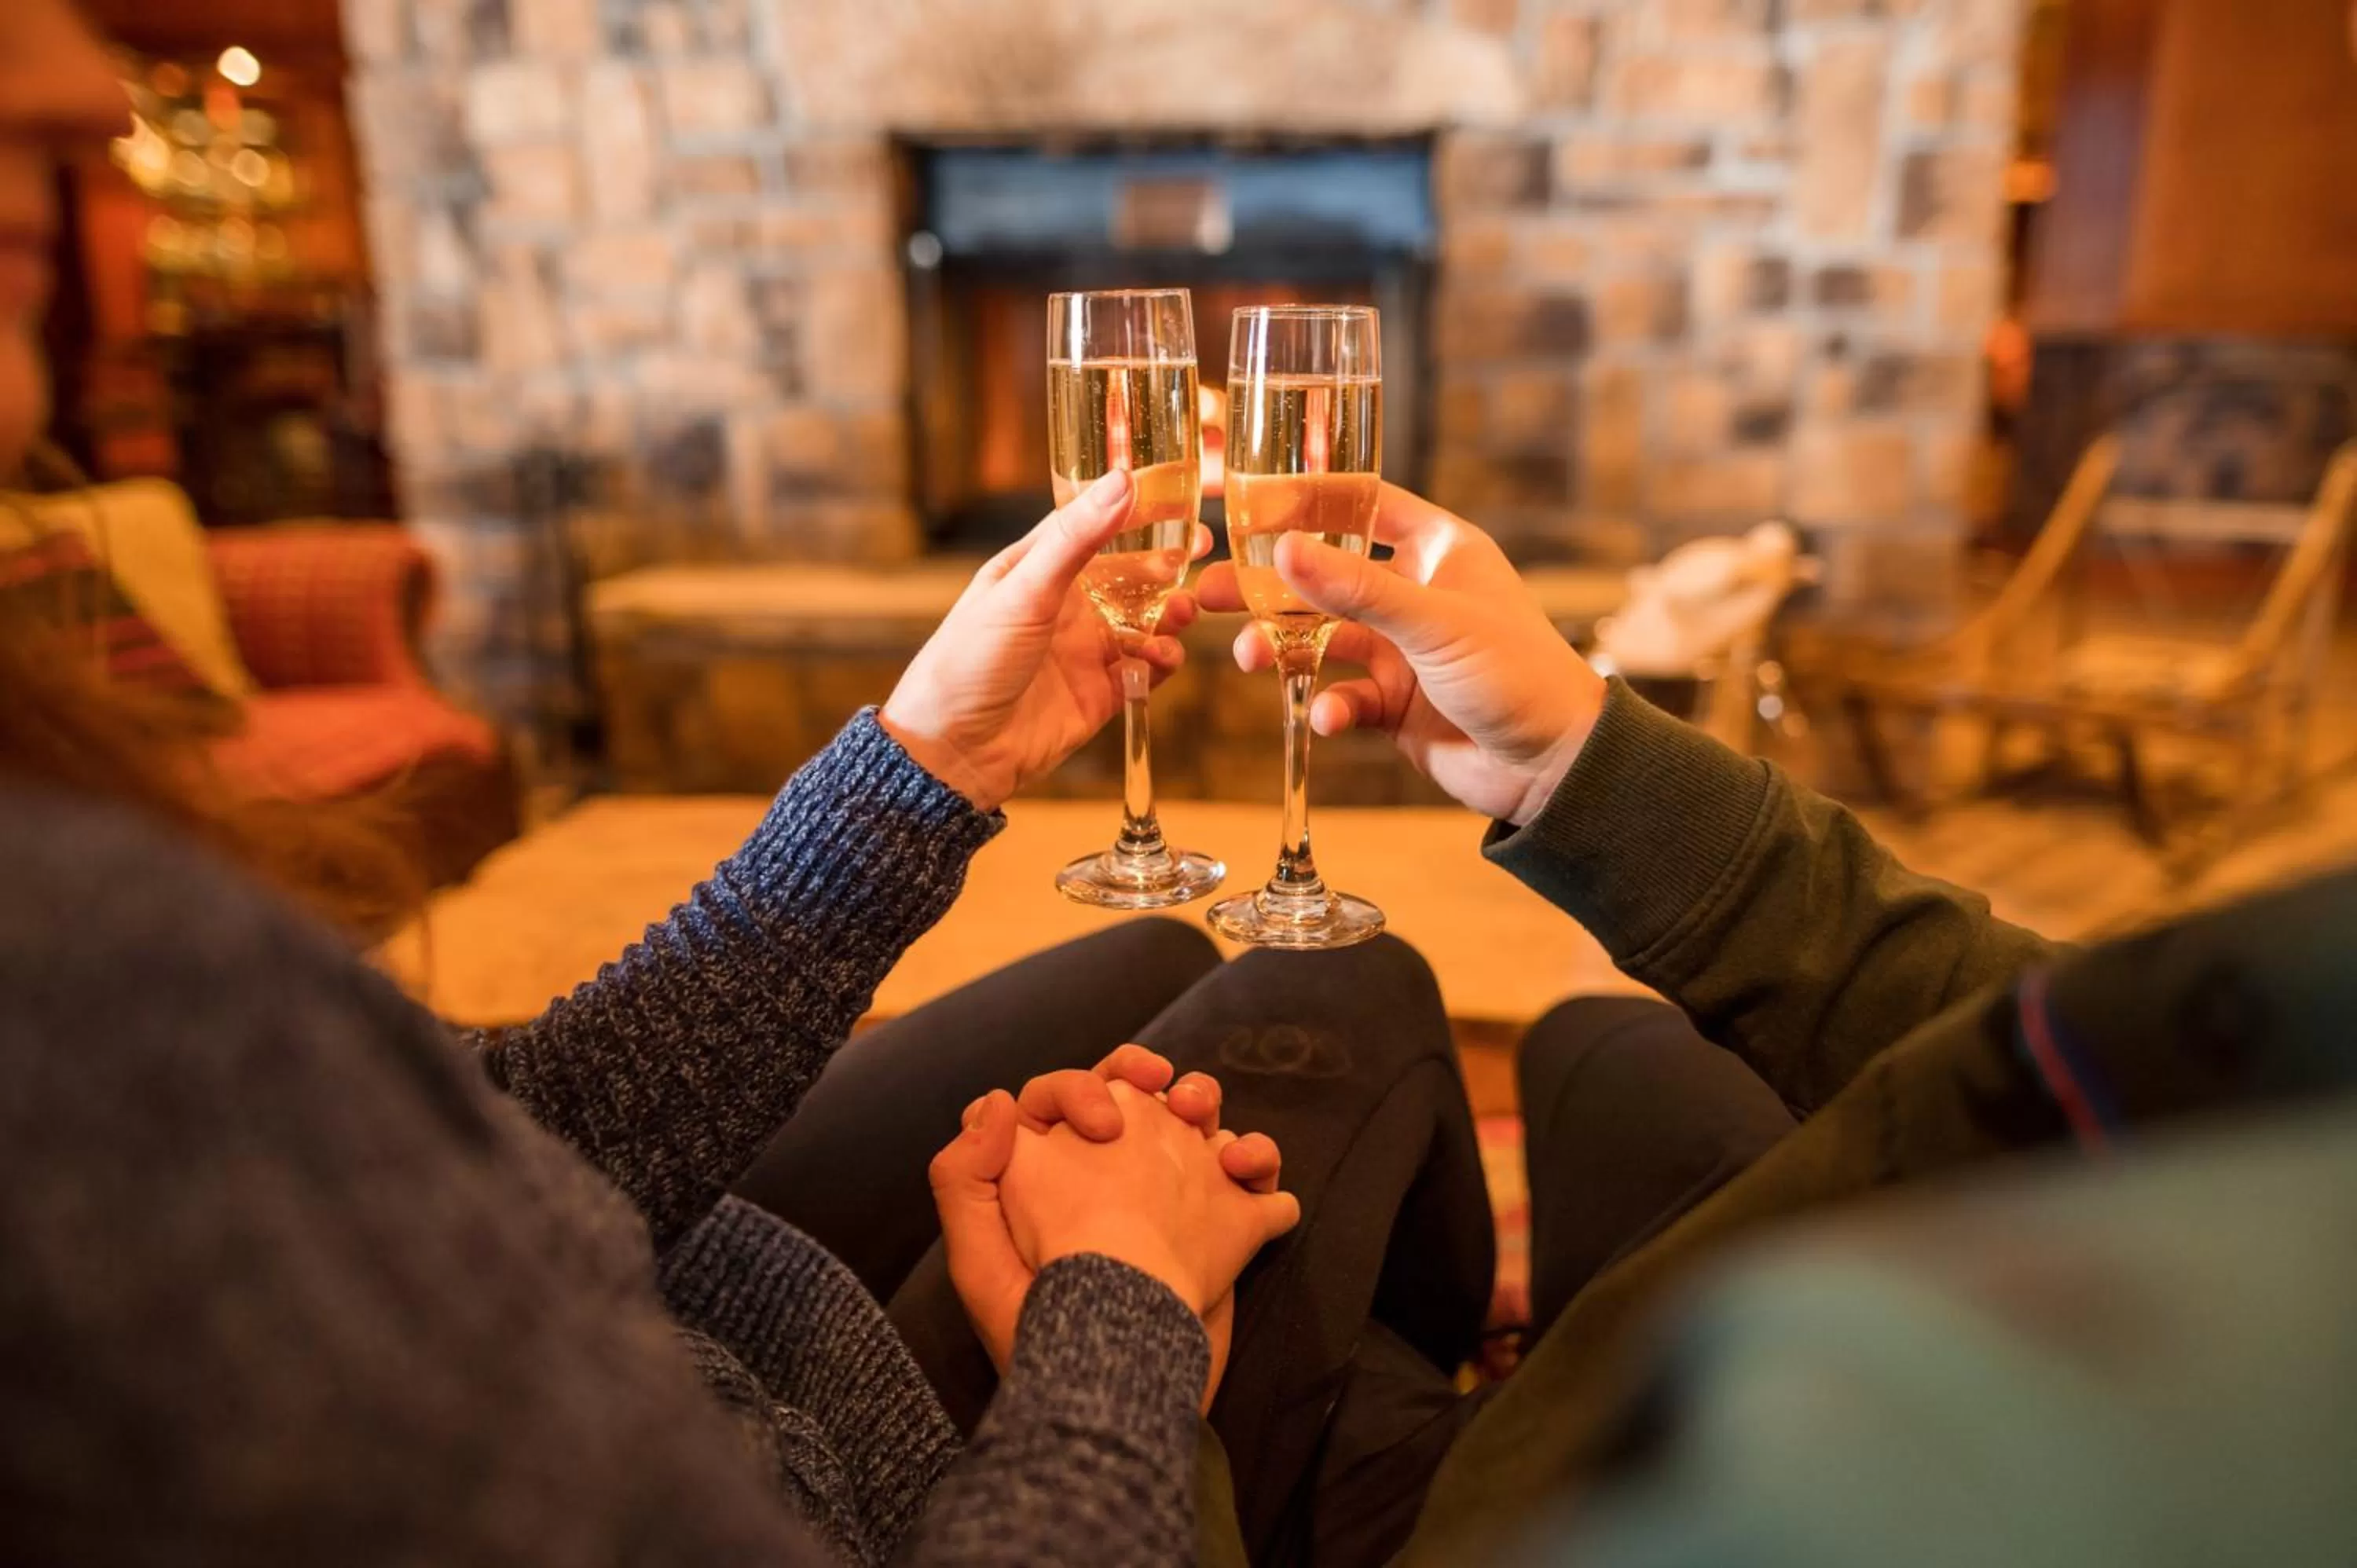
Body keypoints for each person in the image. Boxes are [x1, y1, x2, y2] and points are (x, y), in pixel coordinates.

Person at [1, 5, 1501, 1564]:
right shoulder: (87, 976)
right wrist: (1116, 1305)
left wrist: (926, 763)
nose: (88, 85)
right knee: (1351, 989)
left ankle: (1362, 1426)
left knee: (1165, 954)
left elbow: (523, 1140)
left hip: (702, 1288)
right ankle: (1379, 1444)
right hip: (871, 1482)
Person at [1185, 487, 2357, 1565]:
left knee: (1328, 984)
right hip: (1802, 1284)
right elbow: (2053, 1048)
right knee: (1612, 1040)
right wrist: (1580, 766)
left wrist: (1122, 1317)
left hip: (1558, 1496)